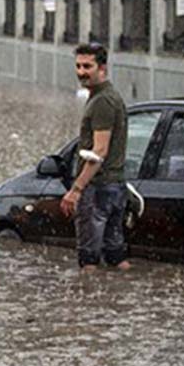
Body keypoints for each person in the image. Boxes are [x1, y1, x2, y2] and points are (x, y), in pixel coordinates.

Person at [60, 43, 131, 272]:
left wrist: (76, 189)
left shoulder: (102, 101)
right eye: (78, 66)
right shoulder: (109, 97)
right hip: (115, 186)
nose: (81, 72)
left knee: (88, 260)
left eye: (87, 66)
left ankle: (88, 303)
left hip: (98, 188)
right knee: (116, 255)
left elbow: (100, 151)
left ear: (102, 68)